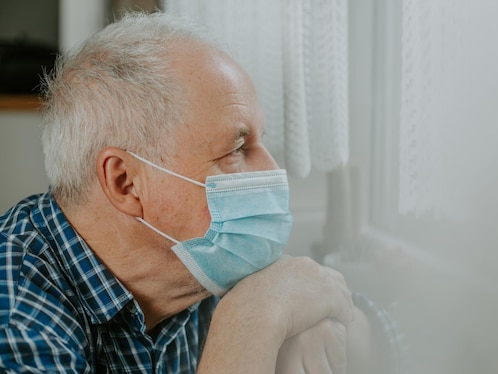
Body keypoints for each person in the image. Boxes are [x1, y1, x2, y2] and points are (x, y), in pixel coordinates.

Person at [0, 12, 401, 373]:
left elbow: (395, 338)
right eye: (237, 148)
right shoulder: (15, 310)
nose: (273, 171)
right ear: (125, 182)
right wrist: (251, 320)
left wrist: (319, 321)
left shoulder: (197, 264)